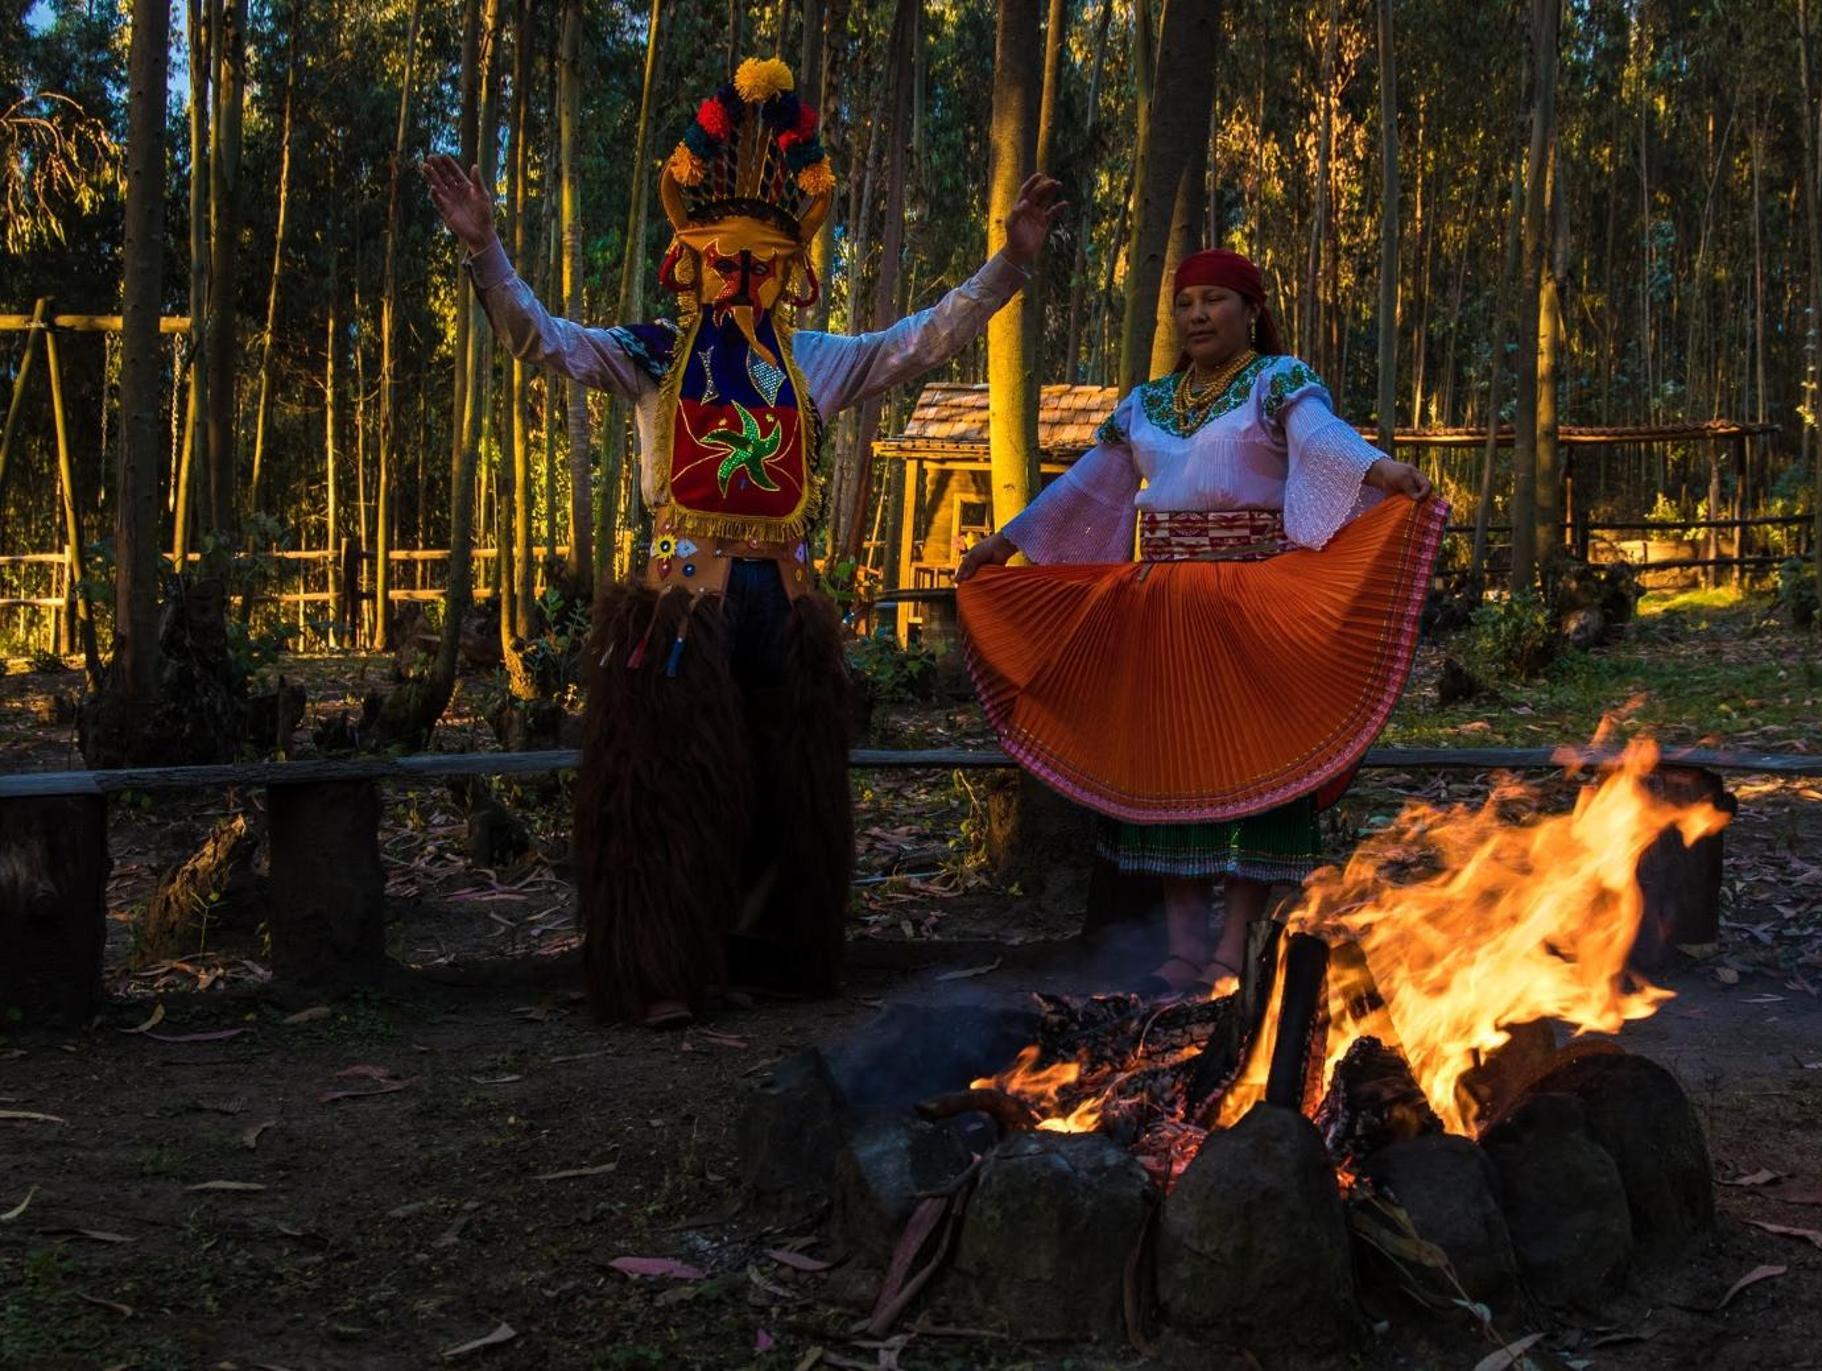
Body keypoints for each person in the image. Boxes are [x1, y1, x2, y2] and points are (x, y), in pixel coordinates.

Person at [423, 56, 1066, 1025]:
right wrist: (485, 254)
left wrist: (1007, 265)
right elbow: (537, 337)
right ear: (689, 261)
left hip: (787, 602)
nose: (742, 275)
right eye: (725, 257)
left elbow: (919, 343)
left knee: (784, 784)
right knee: (671, 789)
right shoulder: (648, 354)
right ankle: (663, 970)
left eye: (762, 262)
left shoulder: (811, 359)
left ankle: (771, 952)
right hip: (684, 603)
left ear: (790, 271)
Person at [955, 247, 1444, 997]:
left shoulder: (1278, 382)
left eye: (1214, 299)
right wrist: (1004, 542)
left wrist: (1380, 472)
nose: (1196, 315)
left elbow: (1321, 441)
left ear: (1251, 312)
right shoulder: (1145, 403)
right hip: (1159, 605)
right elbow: (1092, 487)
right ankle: (1183, 950)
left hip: (1253, 597)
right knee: (1168, 763)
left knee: (1256, 760)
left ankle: (1232, 947)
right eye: (1185, 303)